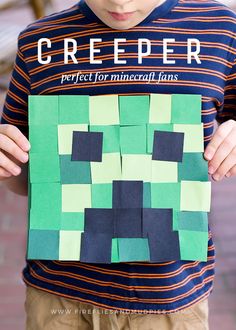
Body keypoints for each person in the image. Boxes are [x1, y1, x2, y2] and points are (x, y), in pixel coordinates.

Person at [0, 0, 236, 329]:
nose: (121, 2)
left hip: (170, 301)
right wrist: (9, 162)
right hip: (58, 298)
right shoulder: (40, 42)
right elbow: (27, 178)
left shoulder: (219, 29)